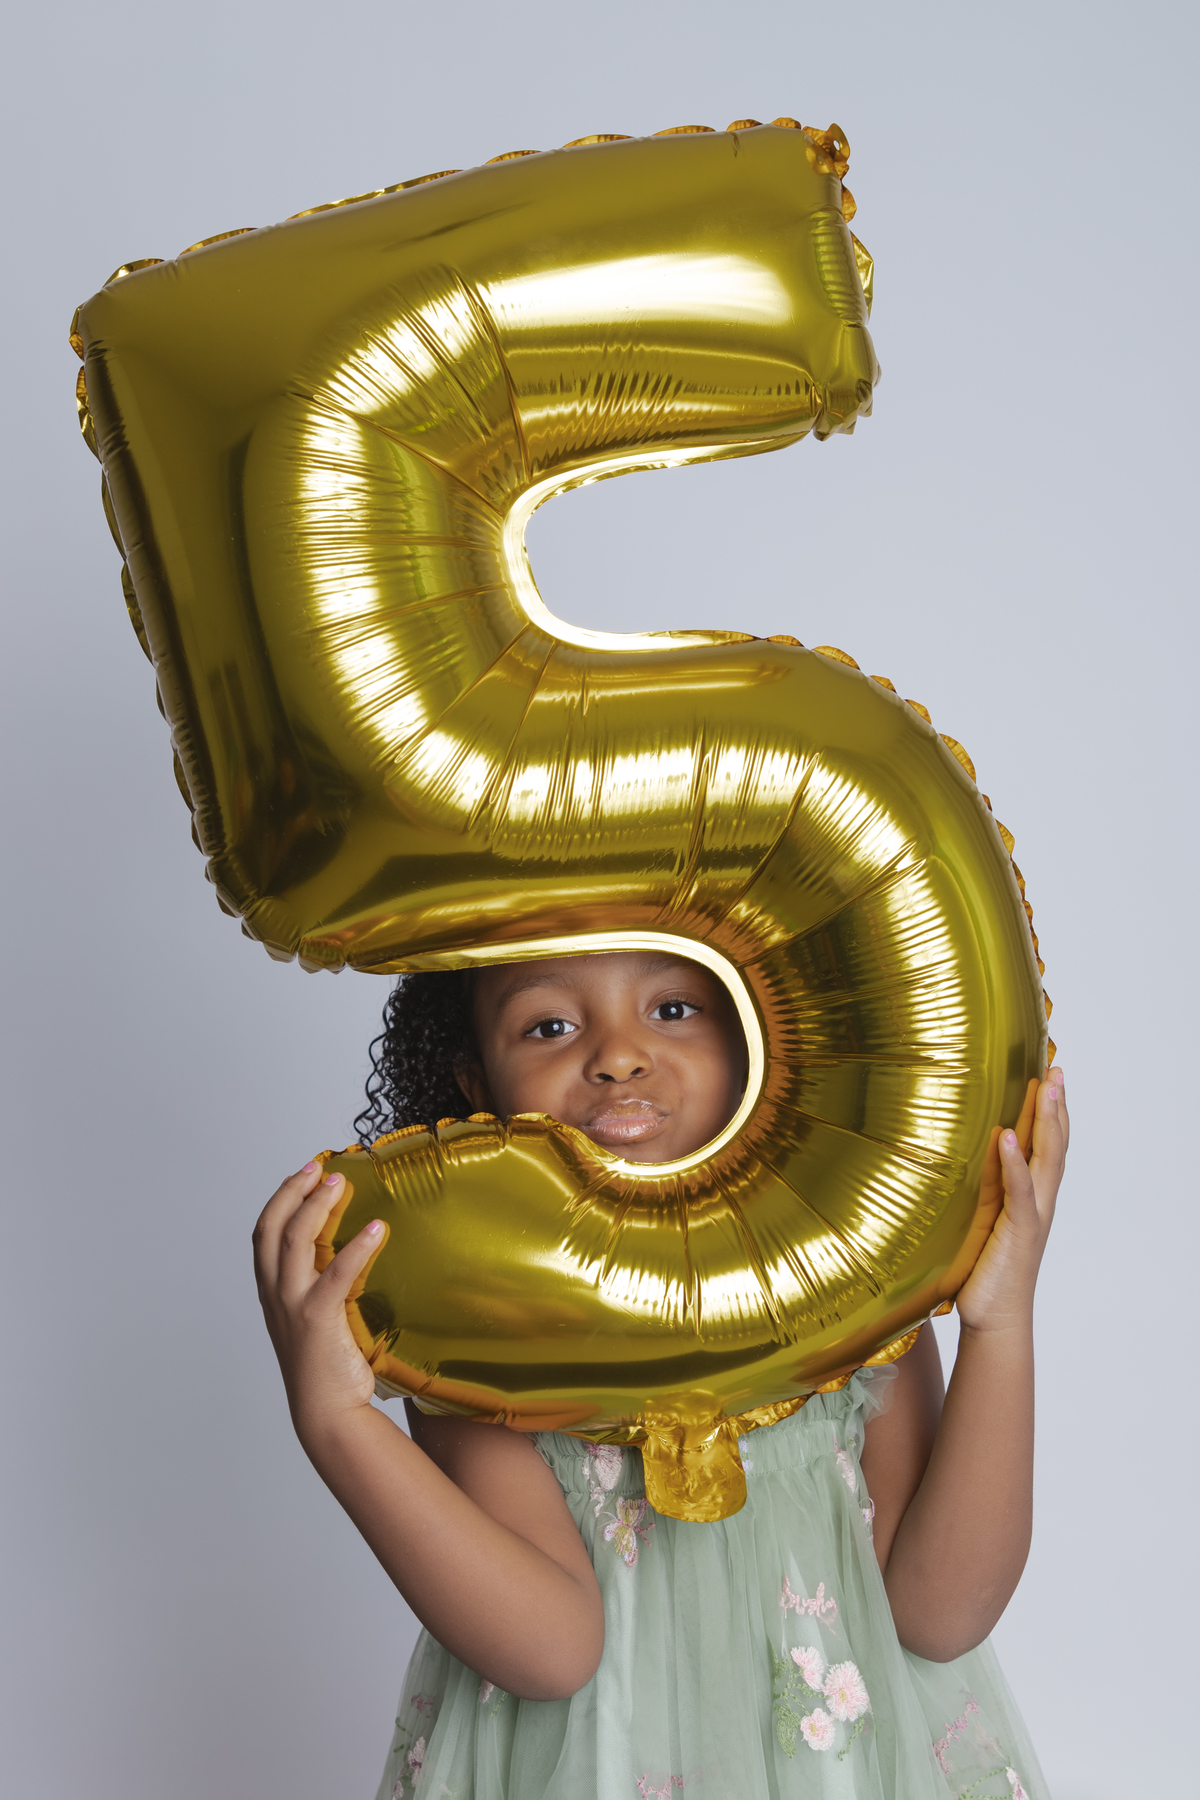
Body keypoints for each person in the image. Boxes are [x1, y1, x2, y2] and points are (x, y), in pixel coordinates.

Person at [254, 950, 1068, 1800]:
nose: (617, 1055)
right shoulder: (473, 1339)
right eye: (549, 1026)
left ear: (758, 1033)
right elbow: (551, 1651)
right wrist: (337, 1423)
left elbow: (941, 1615)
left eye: (674, 1009)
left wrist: (1001, 1325)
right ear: (474, 1079)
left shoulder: (853, 1289)